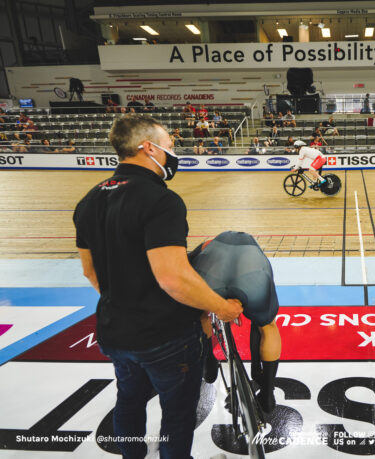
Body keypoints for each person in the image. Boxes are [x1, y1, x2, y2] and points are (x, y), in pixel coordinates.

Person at [73, 114, 243, 458]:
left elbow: (91, 273)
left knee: (129, 402)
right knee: (178, 414)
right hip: (165, 336)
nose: (172, 151)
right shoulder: (161, 200)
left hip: (114, 331)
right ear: (147, 148)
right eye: (169, 145)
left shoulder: (89, 200)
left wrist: (124, 304)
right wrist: (223, 308)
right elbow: (173, 278)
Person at [188, 231, 281, 413]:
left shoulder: (206, 247)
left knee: (201, 314)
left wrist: (217, 304)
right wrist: (240, 302)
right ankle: (268, 394)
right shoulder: (257, 252)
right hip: (252, 280)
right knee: (268, 326)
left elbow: (183, 267)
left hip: (210, 279)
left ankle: (209, 363)